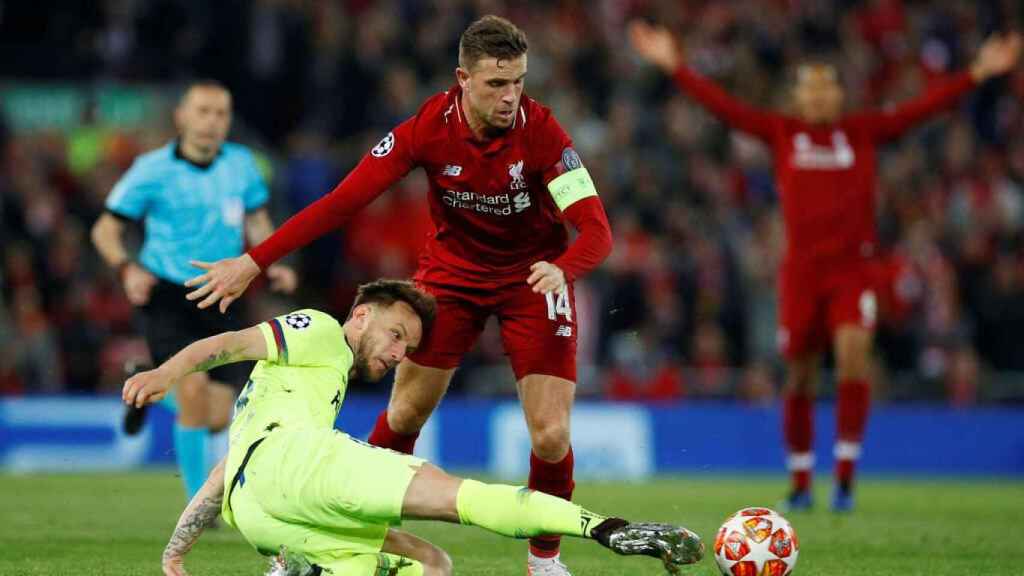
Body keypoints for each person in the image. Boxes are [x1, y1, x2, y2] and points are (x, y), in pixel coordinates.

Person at [179, 16, 613, 575]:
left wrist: (563, 267)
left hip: (535, 278)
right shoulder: (426, 130)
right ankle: (333, 541)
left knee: (551, 435)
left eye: (519, 83)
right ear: (462, 78)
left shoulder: (545, 135)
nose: (511, 98)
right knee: (403, 414)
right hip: (452, 277)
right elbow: (341, 203)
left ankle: (544, 563)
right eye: (496, 85)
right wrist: (253, 260)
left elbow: (597, 232)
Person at [630, 21, 1022, 512]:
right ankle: (799, 480)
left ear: (839, 94)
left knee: (855, 357)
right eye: (808, 89)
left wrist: (976, 73)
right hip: (801, 274)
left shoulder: (861, 133)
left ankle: (844, 476)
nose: (818, 96)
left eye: (826, 87)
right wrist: (677, 67)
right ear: (796, 98)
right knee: (799, 375)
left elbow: (923, 110)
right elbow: (725, 110)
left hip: (853, 271)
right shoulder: (783, 132)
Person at [121, 280, 703, 576]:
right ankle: (608, 530)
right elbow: (231, 342)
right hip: (293, 468)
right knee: (459, 497)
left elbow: (231, 467)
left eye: (410, 347)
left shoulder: (295, 390)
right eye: (398, 335)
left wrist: (176, 550)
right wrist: (168, 371)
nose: (401, 353)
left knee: (432, 564)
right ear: (362, 314)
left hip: (262, 512)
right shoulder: (320, 330)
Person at [91, 80, 298, 503]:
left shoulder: (242, 165)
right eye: (202, 111)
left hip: (222, 293)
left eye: (221, 113)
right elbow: (105, 229)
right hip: (166, 292)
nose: (212, 122)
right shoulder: (151, 169)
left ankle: (140, 385)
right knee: (194, 394)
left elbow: (257, 222)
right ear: (181, 117)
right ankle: (199, 505)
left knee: (217, 416)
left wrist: (272, 262)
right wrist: (126, 268)